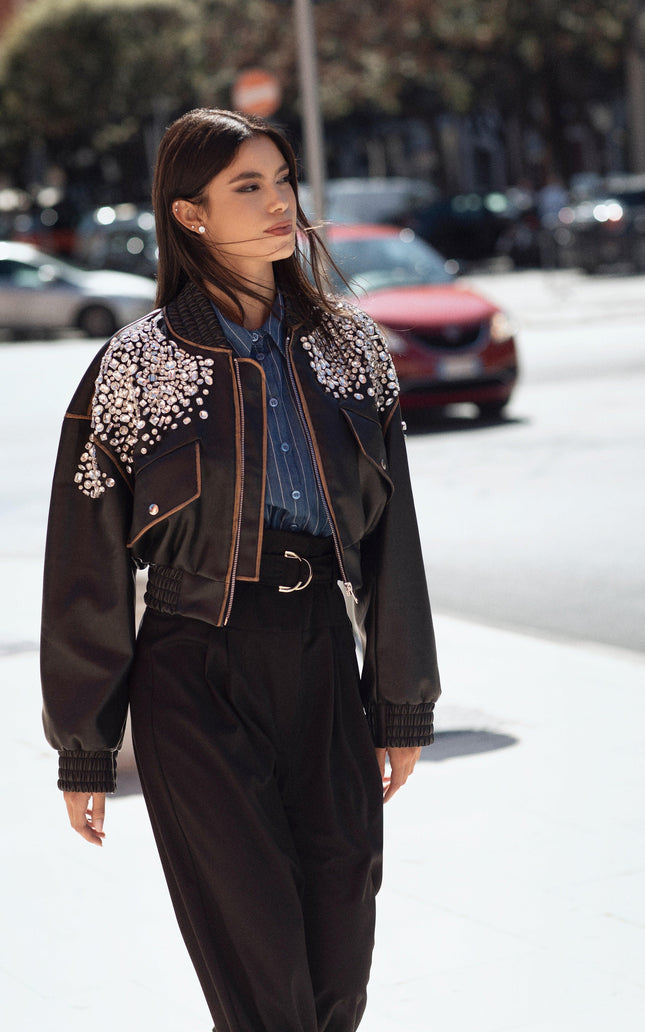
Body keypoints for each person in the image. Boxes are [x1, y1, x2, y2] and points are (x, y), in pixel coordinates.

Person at [41, 108, 441, 1032]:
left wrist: (400, 699)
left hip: (320, 668)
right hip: (193, 675)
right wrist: (85, 744)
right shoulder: (134, 367)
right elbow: (84, 565)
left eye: (282, 180)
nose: (278, 205)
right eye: (246, 187)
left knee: (340, 964)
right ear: (189, 216)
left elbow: (395, 543)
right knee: (263, 980)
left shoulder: (352, 351)